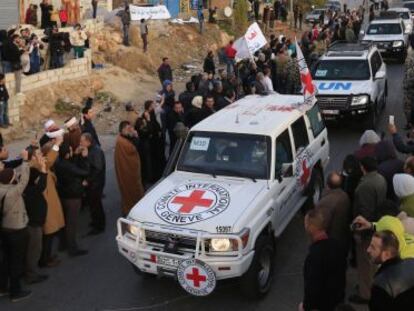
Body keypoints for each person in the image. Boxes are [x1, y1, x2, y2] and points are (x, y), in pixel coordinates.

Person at [350, 156, 387, 304]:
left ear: (362, 167)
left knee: (365, 263)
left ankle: (365, 294)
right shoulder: (380, 179)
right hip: (377, 226)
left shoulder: (364, 186)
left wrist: (358, 233)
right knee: (373, 264)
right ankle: (369, 285)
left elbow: (363, 213)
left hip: (367, 232)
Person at [299, 208, 347, 311]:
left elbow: (312, 287)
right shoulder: (337, 245)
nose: (305, 227)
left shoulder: (314, 256)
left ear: (311, 227)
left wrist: (306, 307)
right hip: (337, 302)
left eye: (306, 224)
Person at [0, 150, 31, 302]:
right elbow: (24, 180)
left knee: (6, 259)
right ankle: (15, 291)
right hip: (16, 229)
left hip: (4, 228)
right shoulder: (13, 192)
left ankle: (2, 287)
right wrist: (25, 161)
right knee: (16, 262)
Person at [54, 142, 89, 256]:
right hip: (72, 197)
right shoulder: (67, 165)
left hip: (63, 195)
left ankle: (63, 244)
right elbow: (84, 172)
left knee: (64, 222)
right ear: (66, 154)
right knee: (71, 223)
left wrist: (74, 155)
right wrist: (84, 158)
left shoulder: (58, 162)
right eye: (70, 150)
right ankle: (72, 249)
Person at [368, 230, 414, 310]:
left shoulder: (381, 284)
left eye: (373, 247)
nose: (368, 250)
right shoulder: (411, 262)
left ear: (386, 254)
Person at [23, 146, 49, 284]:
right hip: (33, 221)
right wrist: (43, 170)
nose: (41, 155)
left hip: (34, 219)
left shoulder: (30, 172)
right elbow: (40, 187)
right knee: (34, 249)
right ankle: (31, 275)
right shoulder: (29, 177)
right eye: (38, 154)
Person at [39, 133, 65, 268]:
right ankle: (45, 259)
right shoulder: (42, 165)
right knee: (48, 234)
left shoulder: (43, 165)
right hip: (47, 205)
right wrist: (56, 145)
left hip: (50, 203)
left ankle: (47, 256)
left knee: (50, 234)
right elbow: (49, 160)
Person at [315, 172, 351, 253]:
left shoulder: (325, 203)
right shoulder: (345, 196)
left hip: (331, 240)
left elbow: (322, 224)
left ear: (327, 185)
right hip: (342, 236)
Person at [115, 121, 145, 216]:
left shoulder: (123, 138)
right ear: (123, 130)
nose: (130, 130)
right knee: (132, 192)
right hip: (128, 172)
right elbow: (133, 149)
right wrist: (135, 137)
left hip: (128, 170)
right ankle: (133, 212)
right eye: (128, 129)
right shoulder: (122, 142)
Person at [80, 133, 106, 235]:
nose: (80, 143)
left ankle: (99, 226)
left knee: (96, 205)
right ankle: (95, 222)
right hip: (93, 183)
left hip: (96, 184)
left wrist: (88, 181)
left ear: (88, 141)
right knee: (93, 204)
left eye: (82, 141)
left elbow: (97, 169)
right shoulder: (90, 149)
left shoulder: (96, 151)